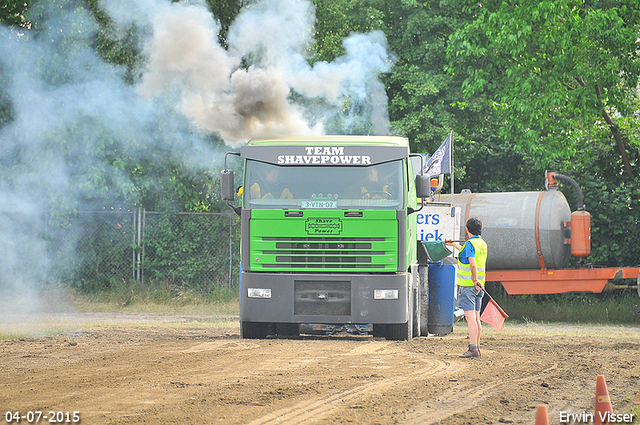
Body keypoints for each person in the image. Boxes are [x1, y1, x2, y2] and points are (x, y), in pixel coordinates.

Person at [445, 217, 488, 359]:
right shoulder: (481, 243)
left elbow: (472, 263)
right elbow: (465, 253)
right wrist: (453, 245)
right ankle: (477, 347)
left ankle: (473, 349)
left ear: (467, 230)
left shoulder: (470, 244)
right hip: (479, 286)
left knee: (470, 318)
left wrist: (474, 280)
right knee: (476, 318)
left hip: (469, 285)